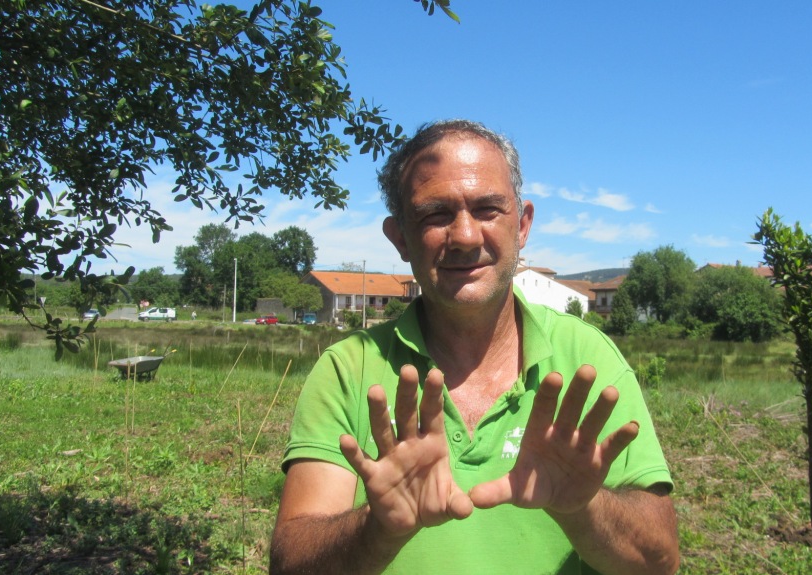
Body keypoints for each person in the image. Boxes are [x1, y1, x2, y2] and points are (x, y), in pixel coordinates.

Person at [270, 120, 679, 575]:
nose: (465, 236)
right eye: (436, 214)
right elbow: (289, 565)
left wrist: (584, 506)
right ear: (401, 237)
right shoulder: (349, 369)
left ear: (522, 225)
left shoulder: (589, 357)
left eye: (487, 209)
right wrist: (377, 529)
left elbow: (659, 562)